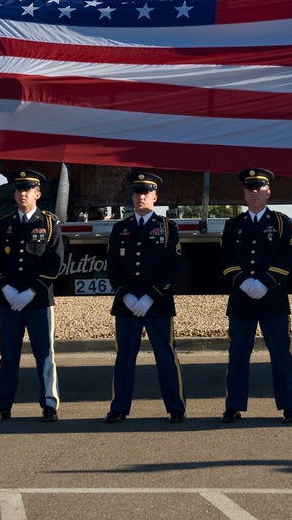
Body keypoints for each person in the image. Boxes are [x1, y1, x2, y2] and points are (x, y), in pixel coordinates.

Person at [103, 171, 187, 424]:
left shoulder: (167, 227)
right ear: (131, 197)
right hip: (127, 304)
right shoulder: (120, 228)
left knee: (165, 355)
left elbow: (173, 266)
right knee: (125, 358)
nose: (141, 197)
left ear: (155, 198)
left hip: (158, 303)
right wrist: (126, 296)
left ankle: (176, 408)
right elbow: (112, 266)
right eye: (137, 193)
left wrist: (150, 296)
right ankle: (118, 408)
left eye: (146, 193)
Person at [0, 170, 64, 423]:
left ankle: (49, 404)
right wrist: (6, 289)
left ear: (38, 194)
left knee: (45, 355)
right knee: (8, 356)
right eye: (19, 189)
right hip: (8, 302)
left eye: (28, 189)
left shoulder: (49, 224)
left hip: (37, 301)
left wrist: (31, 292)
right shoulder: (5, 224)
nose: (23, 193)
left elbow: (55, 263)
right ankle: (3, 405)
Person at [219, 168, 292, 424]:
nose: (255, 192)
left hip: (272, 296)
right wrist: (243, 281)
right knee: (238, 354)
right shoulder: (233, 225)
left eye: (259, 188)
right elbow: (226, 258)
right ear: (244, 193)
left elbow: (286, 257)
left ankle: (289, 406)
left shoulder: (281, 222)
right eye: (250, 188)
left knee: (282, 353)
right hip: (241, 298)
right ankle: (233, 406)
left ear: (268, 192)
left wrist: (264, 282)